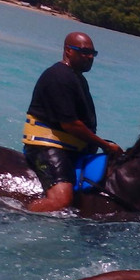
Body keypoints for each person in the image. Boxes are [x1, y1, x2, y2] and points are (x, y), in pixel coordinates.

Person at [21, 32, 123, 212]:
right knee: (61, 201)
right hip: (46, 146)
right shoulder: (59, 76)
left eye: (93, 53)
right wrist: (104, 145)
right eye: (84, 52)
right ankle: (13, 214)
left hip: (71, 147)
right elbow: (71, 125)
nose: (90, 57)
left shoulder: (76, 78)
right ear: (68, 50)